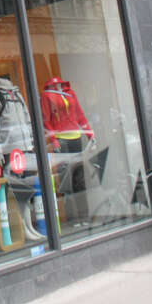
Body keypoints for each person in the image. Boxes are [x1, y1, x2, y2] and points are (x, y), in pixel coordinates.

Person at [0, 77, 44, 241]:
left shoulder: (16, 94)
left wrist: (31, 142)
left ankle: (28, 226)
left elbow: (27, 119)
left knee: (25, 190)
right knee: (15, 191)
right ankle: (21, 228)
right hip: (9, 151)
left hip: (24, 149)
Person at [41, 77, 93, 225]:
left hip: (76, 138)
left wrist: (89, 134)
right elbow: (46, 120)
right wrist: (54, 140)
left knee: (79, 177)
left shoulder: (70, 93)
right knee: (66, 179)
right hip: (61, 140)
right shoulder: (47, 95)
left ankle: (84, 216)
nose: (57, 86)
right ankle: (72, 218)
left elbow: (80, 114)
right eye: (55, 84)